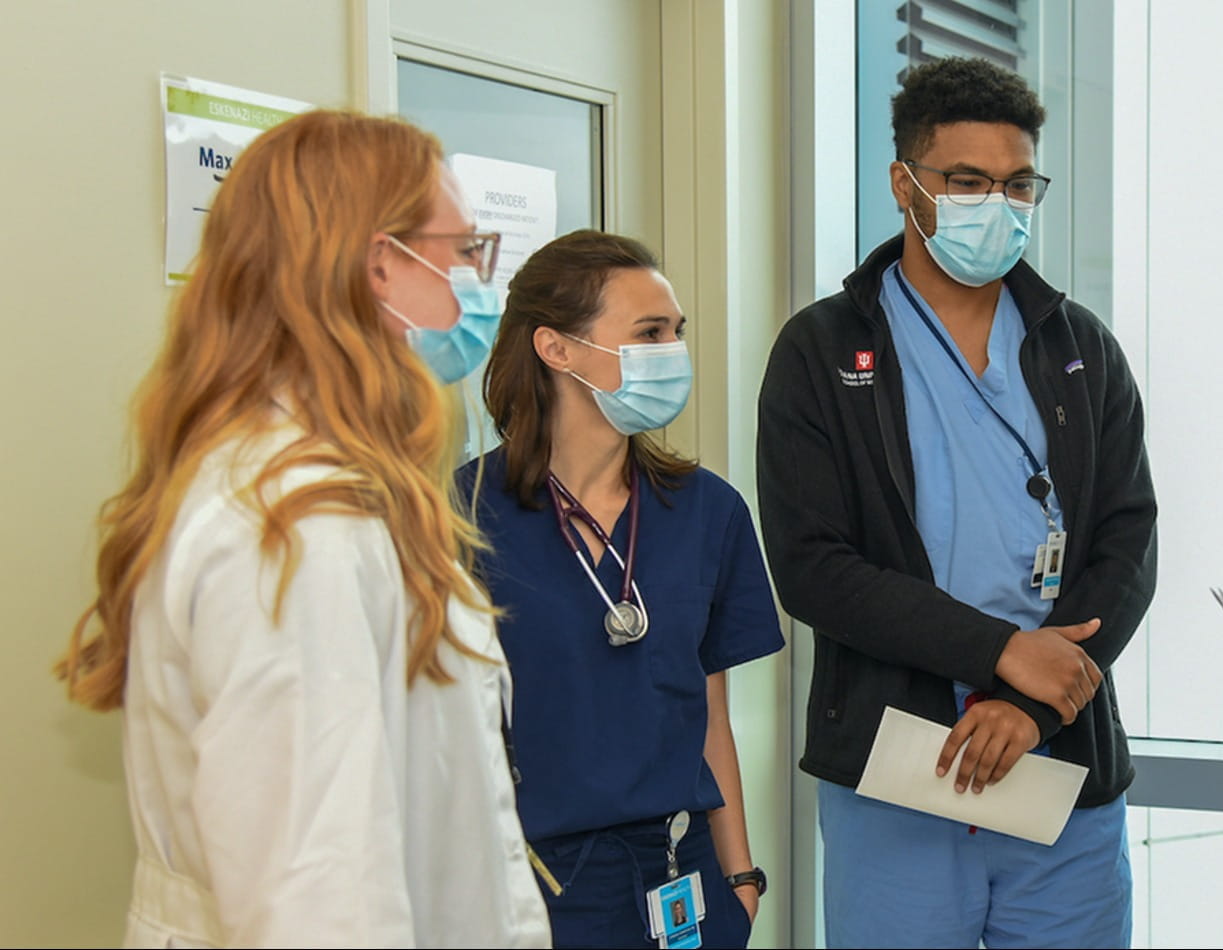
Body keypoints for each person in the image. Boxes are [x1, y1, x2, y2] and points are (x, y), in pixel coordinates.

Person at [54, 110, 550, 947]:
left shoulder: (304, 491)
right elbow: (322, 899)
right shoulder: (299, 530)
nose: (478, 280)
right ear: (379, 267)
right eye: (464, 251)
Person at [756, 57, 1157, 948]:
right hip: (901, 767)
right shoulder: (824, 350)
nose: (997, 204)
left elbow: (1129, 541)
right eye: (967, 181)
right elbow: (813, 567)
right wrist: (1000, 653)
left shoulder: (1077, 346)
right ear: (905, 185)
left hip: (1058, 762)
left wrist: (1038, 704)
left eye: (1018, 184)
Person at [462, 230, 782, 949]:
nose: (673, 350)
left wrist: (739, 877)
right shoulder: (465, 514)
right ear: (558, 349)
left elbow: (710, 712)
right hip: (545, 880)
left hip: (685, 869)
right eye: (648, 332)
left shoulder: (707, 510)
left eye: (675, 331)